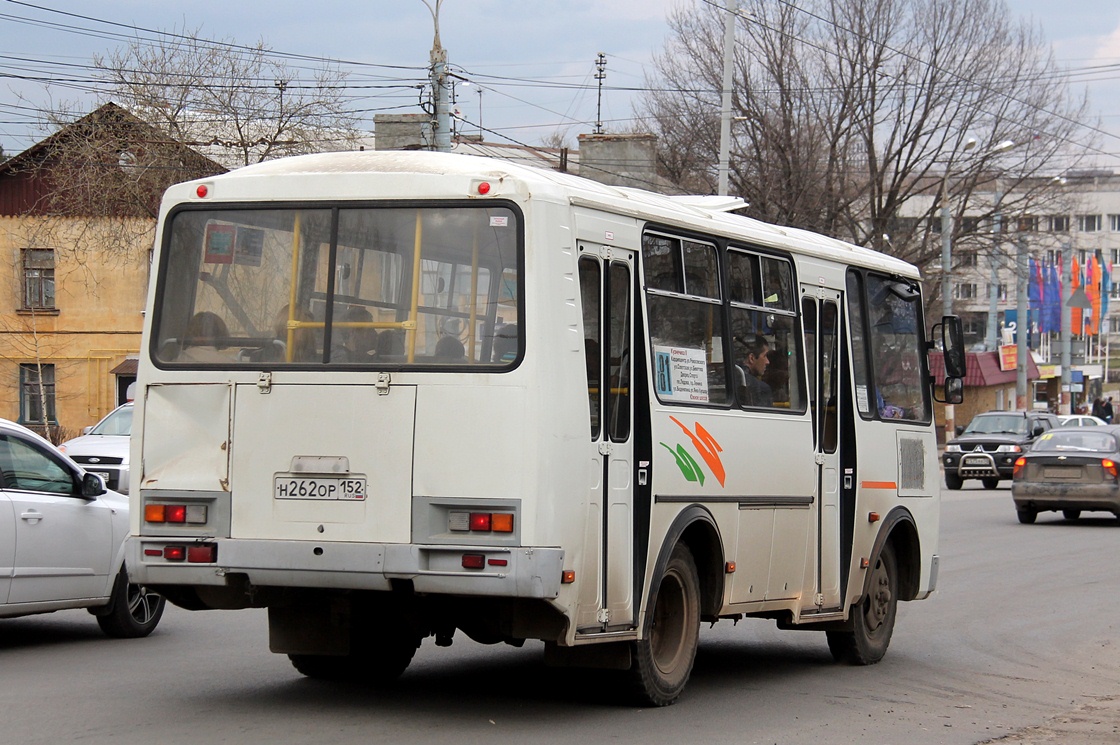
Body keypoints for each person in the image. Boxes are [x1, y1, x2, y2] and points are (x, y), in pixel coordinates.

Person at [737, 334, 773, 407]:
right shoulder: (761, 389)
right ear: (752, 358)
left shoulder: (724, 379)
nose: (767, 361)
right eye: (765, 356)